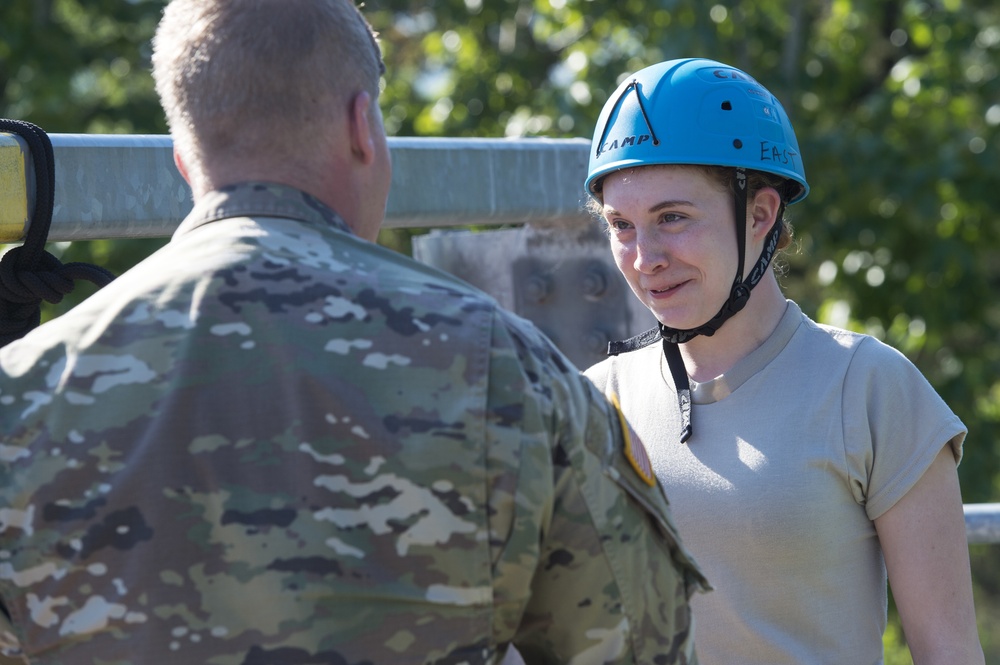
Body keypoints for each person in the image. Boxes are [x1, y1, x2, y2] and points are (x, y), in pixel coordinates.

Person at [0, 3, 708, 663]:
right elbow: (637, 642)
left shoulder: (24, 391)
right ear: (362, 128)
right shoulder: (502, 368)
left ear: (183, 159)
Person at [582, 58, 984, 665]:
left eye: (673, 218)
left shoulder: (870, 388)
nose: (645, 258)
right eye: (621, 226)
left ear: (761, 214)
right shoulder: (592, 400)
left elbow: (947, 651)